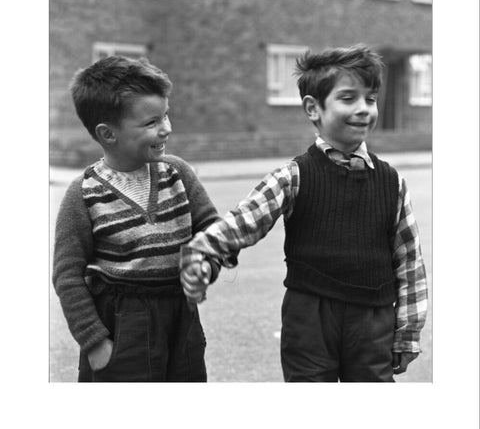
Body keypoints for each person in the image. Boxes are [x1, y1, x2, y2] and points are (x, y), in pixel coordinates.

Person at [180, 44, 428, 382]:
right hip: (310, 317)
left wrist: (408, 331)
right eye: (348, 98)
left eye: (370, 99)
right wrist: (203, 249)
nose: (363, 109)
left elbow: (409, 260)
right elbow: (245, 220)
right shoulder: (294, 176)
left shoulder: (391, 182)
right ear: (314, 108)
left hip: (373, 318)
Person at [53, 56, 219, 382]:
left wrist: (206, 263)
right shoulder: (83, 194)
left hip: (181, 318)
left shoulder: (178, 173)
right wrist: (95, 341)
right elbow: (67, 276)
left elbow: (213, 229)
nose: (167, 128)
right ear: (108, 134)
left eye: (166, 116)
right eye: (151, 123)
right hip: (121, 324)